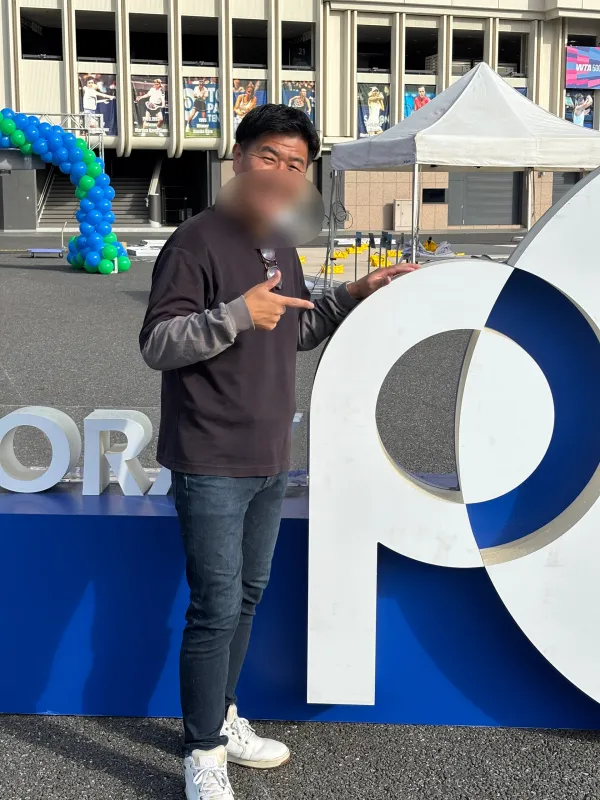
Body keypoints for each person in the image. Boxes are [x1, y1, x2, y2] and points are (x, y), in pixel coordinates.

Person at [139, 103, 417, 800]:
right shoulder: (195, 241)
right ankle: (202, 750)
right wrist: (237, 314)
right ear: (238, 158)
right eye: (270, 156)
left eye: (297, 164)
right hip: (208, 458)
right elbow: (158, 343)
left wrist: (352, 293)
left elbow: (292, 330)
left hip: (269, 456)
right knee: (214, 606)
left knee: (246, 596)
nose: (283, 172)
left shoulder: (280, 243)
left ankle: (223, 716)